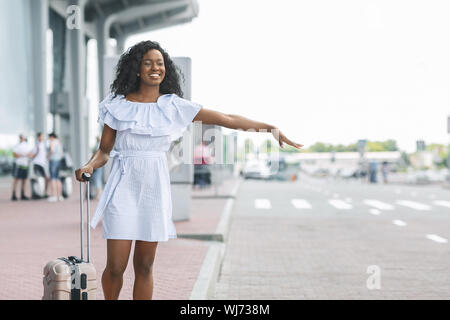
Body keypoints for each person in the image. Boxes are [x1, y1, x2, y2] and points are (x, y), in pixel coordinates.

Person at [74, 40, 303, 300]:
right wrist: (89, 165)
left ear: (165, 69)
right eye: (147, 63)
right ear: (136, 69)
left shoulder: (173, 106)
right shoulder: (117, 105)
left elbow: (227, 119)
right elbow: (104, 151)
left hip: (154, 188)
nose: (154, 68)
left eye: (159, 63)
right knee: (115, 267)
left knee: (145, 266)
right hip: (123, 187)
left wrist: (270, 127)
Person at [11, 134, 34, 201]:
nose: (21, 139)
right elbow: (14, 155)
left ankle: (22, 194)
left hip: (25, 164)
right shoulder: (17, 146)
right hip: (18, 165)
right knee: (16, 179)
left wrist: (25, 155)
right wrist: (23, 155)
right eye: (20, 138)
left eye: (22, 138)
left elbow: (31, 155)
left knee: (24, 180)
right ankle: (14, 194)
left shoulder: (27, 146)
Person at [31, 132, 50, 198]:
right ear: (38, 137)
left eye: (43, 136)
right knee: (38, 179)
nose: (42, 138)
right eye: (41, 136)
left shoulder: (44, 145)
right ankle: (37, 193)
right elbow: (32, 156)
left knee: (47, 178)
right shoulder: (36, 145)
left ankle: (44, 192)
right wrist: (37, 152)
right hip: (37, 164)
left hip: (42, 164)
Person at [47, 132, 64, 202]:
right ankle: (59, 196)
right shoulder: (59, 142)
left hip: (53, 161)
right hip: (59, 161)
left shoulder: (52, 142)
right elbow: (62, 154)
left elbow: (52, 150)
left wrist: (48, 156)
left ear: (52, 137)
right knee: (58, 179)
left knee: (53, 178)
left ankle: (54, 196)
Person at [91, 136, 104, 200]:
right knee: (97, 179)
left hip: (97, 164)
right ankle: (98, 194)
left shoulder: (99, 146)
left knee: (97, 179)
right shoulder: (100, 145)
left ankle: (99, 194)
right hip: (99, 164)